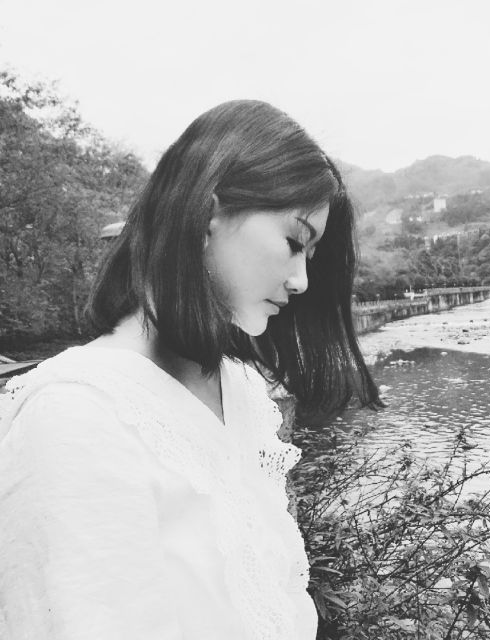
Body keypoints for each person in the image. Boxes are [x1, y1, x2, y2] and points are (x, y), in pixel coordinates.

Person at [0, 100, 381, 640]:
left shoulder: (241, 390)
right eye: (294, 243)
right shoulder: (75, 416)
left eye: (310, 258)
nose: (301, 281)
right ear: (206, 215)